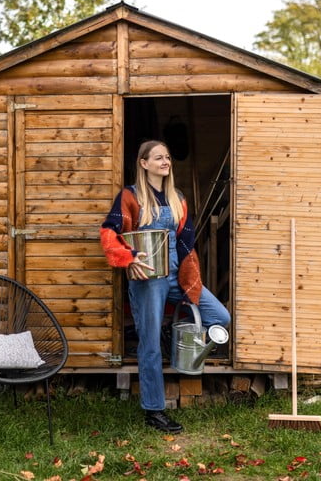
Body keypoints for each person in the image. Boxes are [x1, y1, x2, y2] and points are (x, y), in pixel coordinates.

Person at [100, 140, 231, 433]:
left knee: (220, 317)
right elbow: (110, 231)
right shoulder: (131, 197)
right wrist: (127, 258)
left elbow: (187, 239)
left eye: (168, 157)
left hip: (177, 274)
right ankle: (154, 410)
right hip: (148, 279)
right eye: (158, 157)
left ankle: (179, 340)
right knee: (150, 346)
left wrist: (189, 272)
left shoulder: (177, 198)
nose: (165, 161)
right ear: (143, 163)